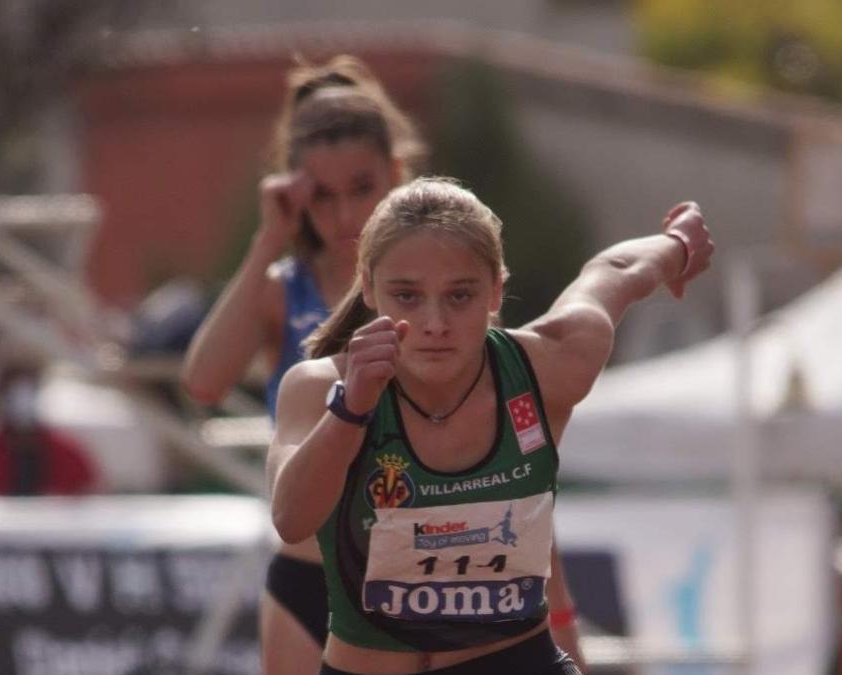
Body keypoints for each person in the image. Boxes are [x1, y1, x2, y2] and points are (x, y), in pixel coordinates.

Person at [181, 58, 585, 674]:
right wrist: (268, 237)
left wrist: (558, 616)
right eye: (321, 194)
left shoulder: (450, 302)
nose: (344, 216)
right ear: (293, 191)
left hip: (437, 585)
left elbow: (509, 470)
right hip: (312, 580)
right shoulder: (280, 290)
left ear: (396, 175)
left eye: (362, 189)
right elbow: (203, 382)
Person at [269, 178, 713, 674]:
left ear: (497, 288)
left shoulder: (549, 365)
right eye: (407, 296)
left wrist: (678, 244)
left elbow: (617, 271)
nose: (435, 323)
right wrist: (350, 411)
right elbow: (290, 518)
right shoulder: (318, 389)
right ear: (369, 287)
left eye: (459, 296)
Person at [0, 358, 96, 496]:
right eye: (13, 396)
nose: (21, 404)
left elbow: (86, 493)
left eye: (27, 394)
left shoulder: (66, 452)